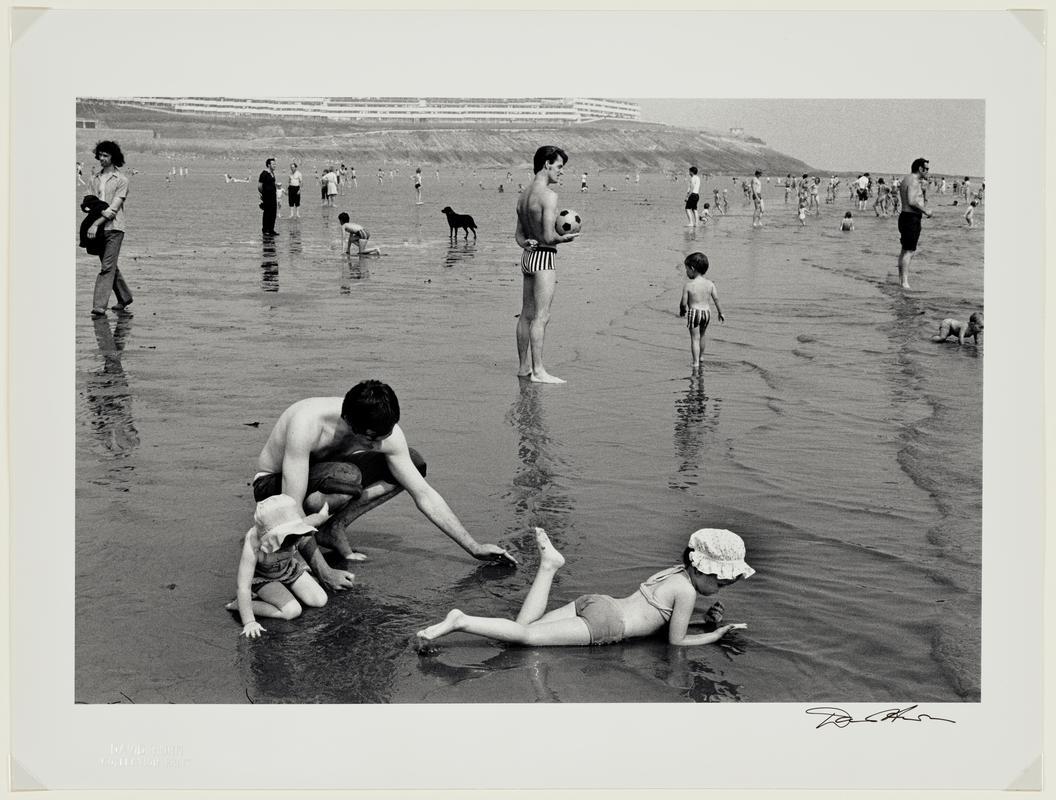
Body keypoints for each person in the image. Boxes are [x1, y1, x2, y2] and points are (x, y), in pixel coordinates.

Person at [252, 380, 517, 574]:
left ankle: (333, 528)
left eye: (383, 438)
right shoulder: (307, 423)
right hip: (273, 487)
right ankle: (299, 545)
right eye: (370, 439)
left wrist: (474, 546)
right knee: (348, 476)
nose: (377, 445)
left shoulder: (383, 432)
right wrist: (323, 571)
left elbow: (423, 494)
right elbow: (291, 504)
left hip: (330, 477)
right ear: (348, 420)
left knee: (413, 463)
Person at [416, 527, 752, 648]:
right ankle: (461, 621)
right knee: (526, 639)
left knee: (521, 630)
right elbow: (676, 641)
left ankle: (548, 568)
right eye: (720, 580)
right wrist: (715, 635)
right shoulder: (688, 591)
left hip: (598, 603)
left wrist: (704, 620)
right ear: (702, 568)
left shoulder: (675, 574)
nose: (720, 587)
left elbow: (659, 618)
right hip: (607, 625)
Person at [514, 145, 579, 384]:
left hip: (527, 257)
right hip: (544, 258)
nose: (561, 172)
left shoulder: (523, 195)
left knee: (525, 315)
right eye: (560, 167)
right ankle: (539, 370)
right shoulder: (549, 196)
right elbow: (549, 236)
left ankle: (523, 368)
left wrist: (527, 243)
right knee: (541, 316)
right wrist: (566, 238)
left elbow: (519, 237)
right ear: (547, 164)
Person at [227, 495, 332, 638]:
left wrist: (322, 515)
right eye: (282, 544)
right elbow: (243, 585)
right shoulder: (254, 542)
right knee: (292, 611)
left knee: (319, 600)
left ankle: (285, 590)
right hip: (263, 578)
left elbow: (313, 520)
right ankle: (240, 605)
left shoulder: (292, 526)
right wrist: (249, 621)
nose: (291, 548)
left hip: (289, 570)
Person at [85, 140, 134, 318]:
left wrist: (95, 223)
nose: (102, 159)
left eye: (106, 155)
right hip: (97, 229)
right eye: (100, 155)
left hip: (114, 228)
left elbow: (114, 209)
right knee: (110, 265)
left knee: (107, 266)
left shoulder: (122, 180)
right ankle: (125, 297)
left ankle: (99, 306)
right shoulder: (94, 178)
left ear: (113, 157)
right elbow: (87, 202)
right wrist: (89, 208)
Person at [678, 252, 726, 368]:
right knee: (702, 335)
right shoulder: (710, 284)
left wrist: (682, 310)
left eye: (687, 269)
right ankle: (701, 357)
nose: (686, 272)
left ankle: (695, 363)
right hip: (706, 313)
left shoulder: (689, 285)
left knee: (695, 338)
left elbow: (684, 302)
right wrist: (721, 312)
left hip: (694, 312)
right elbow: (716, 299)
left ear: (692, 269)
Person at [896, 157, 933, 289]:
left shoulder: (907, 179)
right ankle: (905, 283)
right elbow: (912, 201)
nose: (928, 171)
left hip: (905, 217)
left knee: (904, 250)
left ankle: (901, 281)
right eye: (926, 169)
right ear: (920, 169)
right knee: (909, 252)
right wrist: (926, 211)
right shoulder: (914, 181)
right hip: (911, 218)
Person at [257, 157, 279, 236]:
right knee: (267, 213)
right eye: (273, 164)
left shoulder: (272, 173)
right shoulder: (264, 173)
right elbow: (259, 186)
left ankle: (271, 229)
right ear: (268, 165)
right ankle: (265, 230)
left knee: (273, 213)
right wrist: (264, 194)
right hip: (267, 197)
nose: (275, 165)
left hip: (273, 197)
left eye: (275, 164)